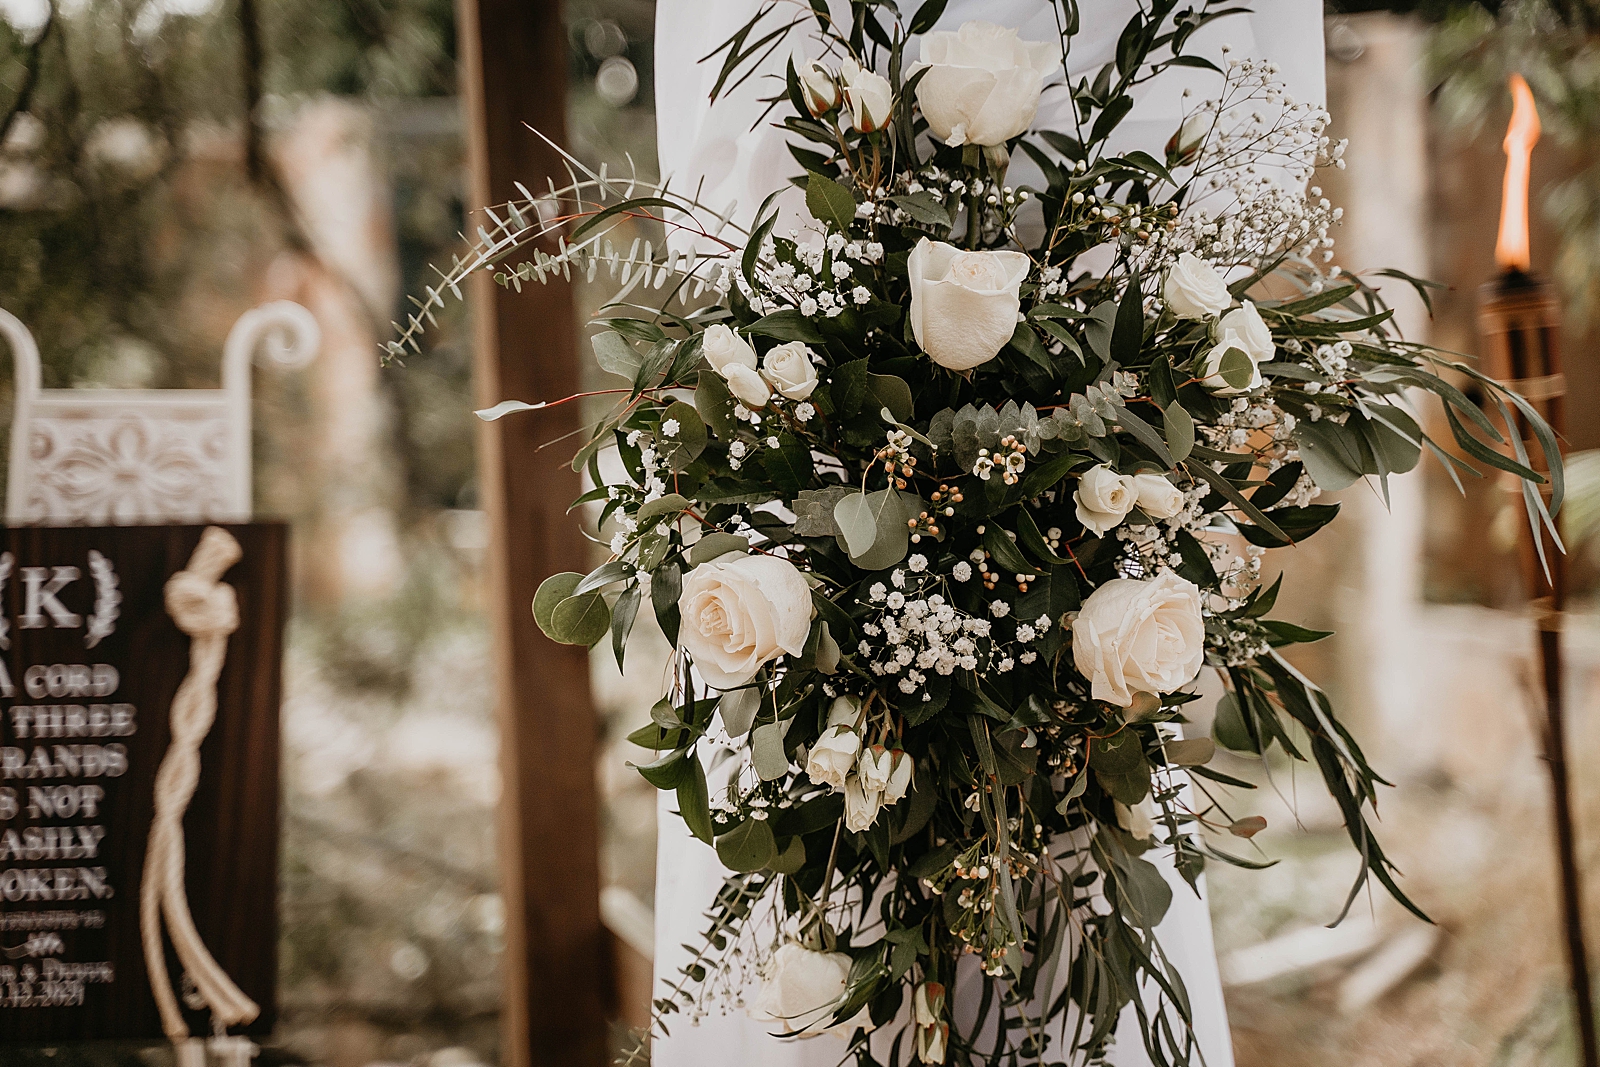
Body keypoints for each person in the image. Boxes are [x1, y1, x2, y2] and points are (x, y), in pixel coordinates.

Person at [649, 4, 1326, 1064]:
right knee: (831, 926)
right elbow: (715, 207)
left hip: (1053, 590)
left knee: (1060, 932)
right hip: (820, 572)